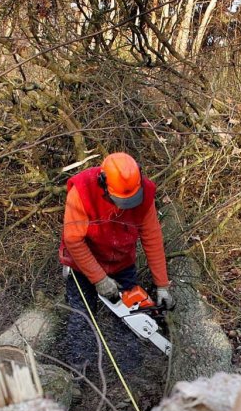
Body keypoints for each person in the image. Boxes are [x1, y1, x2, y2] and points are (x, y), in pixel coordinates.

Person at [59, 152, 174, 371]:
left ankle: (130, 372)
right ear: (103, 183)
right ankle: (77, 372)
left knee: (131, 318)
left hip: (122, 262)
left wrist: (162, 285)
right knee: (82, 317)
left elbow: (152, 237)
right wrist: (99, 279)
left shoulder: (144, 194)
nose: (125, 207)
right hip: (83, 264)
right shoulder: (82, 191)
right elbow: (73, 240)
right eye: (121, 200)